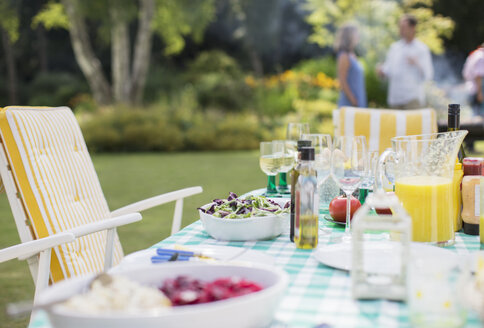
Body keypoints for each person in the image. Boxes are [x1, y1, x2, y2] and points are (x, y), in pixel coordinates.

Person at [377, 14, 433, 109]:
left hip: (412, 98)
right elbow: (388, 71)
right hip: (395, 99)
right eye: (400, 27)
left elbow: (428, 75)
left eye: (403, 27)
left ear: (412, 28)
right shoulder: (394, 48)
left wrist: (417, 63)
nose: (400, 30)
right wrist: (381, 71)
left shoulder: (421, 49)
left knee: (413, 124)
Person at [335, 23, 367, 108]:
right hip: (350, 103)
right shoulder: (344, 56)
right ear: (349, 36)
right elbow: (342, 80)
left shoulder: (352, 55)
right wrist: (352, 99)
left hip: (359, 100)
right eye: (356, 34)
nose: (358, 36)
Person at [462, 43, 484, 117]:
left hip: (471, 87)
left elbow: (465, 73)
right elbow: (478, 76)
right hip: (477, 90)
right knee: (477, 117)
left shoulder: (474, 55)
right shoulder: (481, 57)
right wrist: (480, 93)